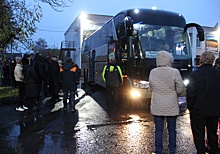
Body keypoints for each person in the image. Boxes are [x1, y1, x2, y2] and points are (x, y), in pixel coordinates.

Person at [149, 51, 185, 154]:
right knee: (172, 130)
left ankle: (158, 151)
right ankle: (172, 150)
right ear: (170, 59)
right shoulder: (174, 72)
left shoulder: (153, 72)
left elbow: (151, 88)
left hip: (157, 105)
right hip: (171, 105)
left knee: (158, 130)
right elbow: (180, 89)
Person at [186, 51, 220, 154]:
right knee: (212, 133)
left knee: (198, 134)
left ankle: (200, 151)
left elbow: (190, 93)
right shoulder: (218, 74)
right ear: (212, 60)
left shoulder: (195, 74)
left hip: (198, 110)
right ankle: (214, 150)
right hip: (214, 110)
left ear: (201, 60)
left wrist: (190, 107)